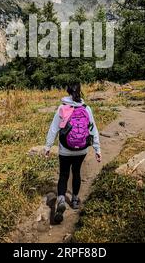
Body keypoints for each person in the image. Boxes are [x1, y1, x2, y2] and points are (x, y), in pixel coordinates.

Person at [45, 82, 101, 224]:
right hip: (82, 149)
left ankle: (62, 199)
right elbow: (92, 129)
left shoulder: (62, 108)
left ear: (67, 91)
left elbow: (53, 129)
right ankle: (75, 200)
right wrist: (97, 149)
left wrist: (48, 146)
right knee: (76, 172)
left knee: (63, 175)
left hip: (65, 149)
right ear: (80, 91)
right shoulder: (86, 108)